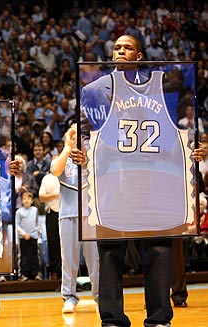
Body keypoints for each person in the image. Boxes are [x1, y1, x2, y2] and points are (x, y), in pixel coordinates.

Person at [78, 34, 206, 327]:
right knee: (110, 251)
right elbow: (85, 133)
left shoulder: (163, 87)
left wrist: (194, 148)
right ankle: (112, 318)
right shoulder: (95, 90)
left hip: (154, 182)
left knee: (159, 250)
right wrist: (82, 152)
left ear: (139, 56)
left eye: (127, 48)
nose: (120, 51)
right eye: (116, 48)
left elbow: (181, 132)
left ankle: (159, 317)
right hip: (113, 182)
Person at [50, 124, 99, 314]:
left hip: (89, 215)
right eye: (71, 134)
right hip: (67, 213)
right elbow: (55, 170)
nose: (75, 137)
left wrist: (84, 148)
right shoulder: (62, 158)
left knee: (94, 260)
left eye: (78, 134)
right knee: (68, 260)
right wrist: (68, 148)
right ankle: (69, 297)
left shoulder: (90, 156)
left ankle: (99, 295)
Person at [16, 191, 41, 281]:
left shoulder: (35, 210)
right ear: (22, 201)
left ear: (32, 200)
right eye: (24, 199)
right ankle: (23, 274)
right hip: (23, 237)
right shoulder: (19, 212)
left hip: (33, 236)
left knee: (34, 256)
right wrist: (24, 233)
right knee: (24, 256)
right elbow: (17, 225)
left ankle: (35, 273)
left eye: (29, 199)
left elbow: (37, 222)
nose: (26, 200)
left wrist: (38, 231)